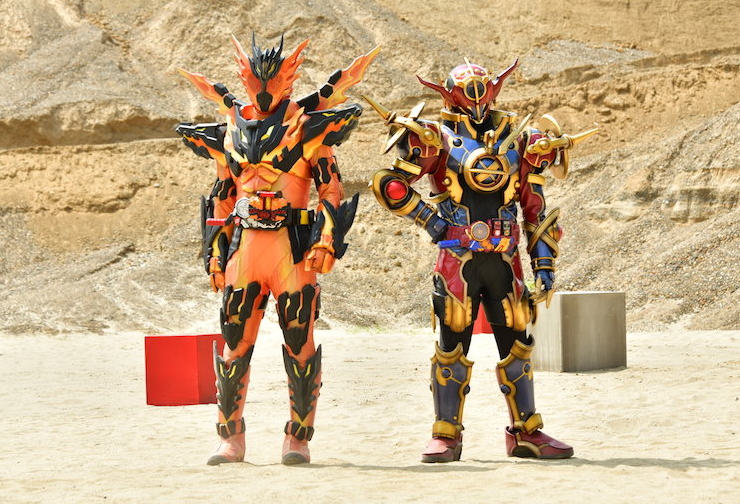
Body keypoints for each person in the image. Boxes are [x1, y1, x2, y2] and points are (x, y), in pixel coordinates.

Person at [365, 58, 596, 462]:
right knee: (452, 346)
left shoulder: (522, 142)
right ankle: (446, 435)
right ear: (450, 94)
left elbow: (535, 209)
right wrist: (433, 222)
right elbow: (389, 184)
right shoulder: (435, 137)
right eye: (467, 91)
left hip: (506, 261)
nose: (475, 98)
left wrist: (543, 265)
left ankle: (526, 432)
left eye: (481, 89)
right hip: (458, 260)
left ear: (493, 89)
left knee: (518, 346)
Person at [176, 33, 378, 465]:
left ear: (288, 81)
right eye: (256, 82)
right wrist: (214, 254)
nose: (264, 91)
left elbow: (330, 188)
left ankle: (297, 439)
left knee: (300, 344)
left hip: (293, 249)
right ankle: (230, 438)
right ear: (245, 80)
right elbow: (222, 196)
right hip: (244, 249)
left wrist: (326, 238)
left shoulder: (309, 127)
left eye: (273, 82)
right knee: (234, 345)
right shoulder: (230, 130)